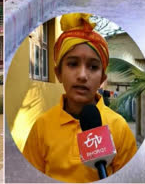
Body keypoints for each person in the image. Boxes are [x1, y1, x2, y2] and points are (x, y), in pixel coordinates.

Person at [23, 13, 137, 183]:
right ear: (59, 73)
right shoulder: (42, 127)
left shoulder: (119, 128)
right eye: (73, 64)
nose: (82, 75)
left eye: (93, 67)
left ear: (102, 80)